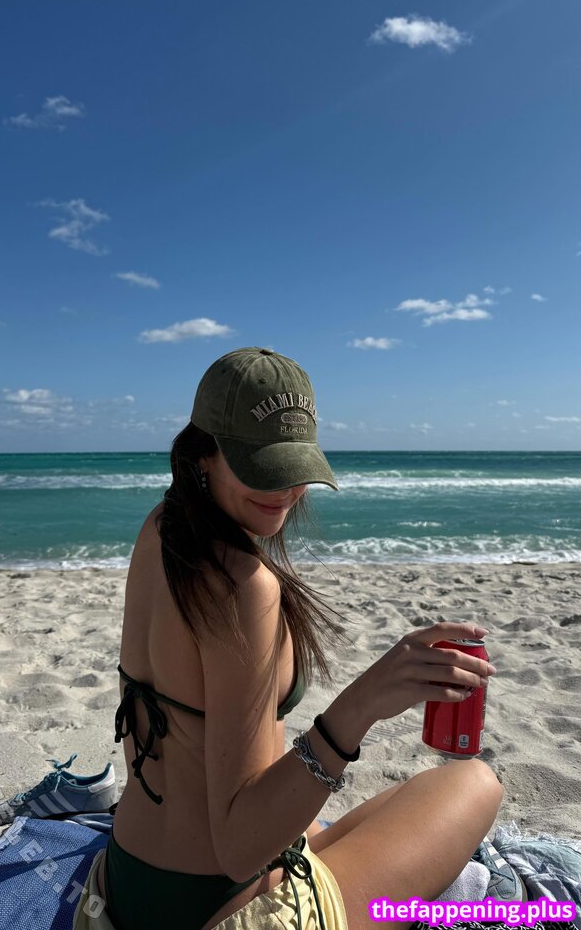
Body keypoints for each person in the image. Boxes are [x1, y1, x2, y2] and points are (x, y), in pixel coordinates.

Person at [96, 346, 501, 930]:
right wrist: (359, 707)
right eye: (262, 467)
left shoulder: (161, 527)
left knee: (403, 801)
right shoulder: (243, 587)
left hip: (129, 880)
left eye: (294, 466)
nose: (284, 490)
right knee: (475, 782)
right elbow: (239, 848)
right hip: (220, 907)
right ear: (203, 452)